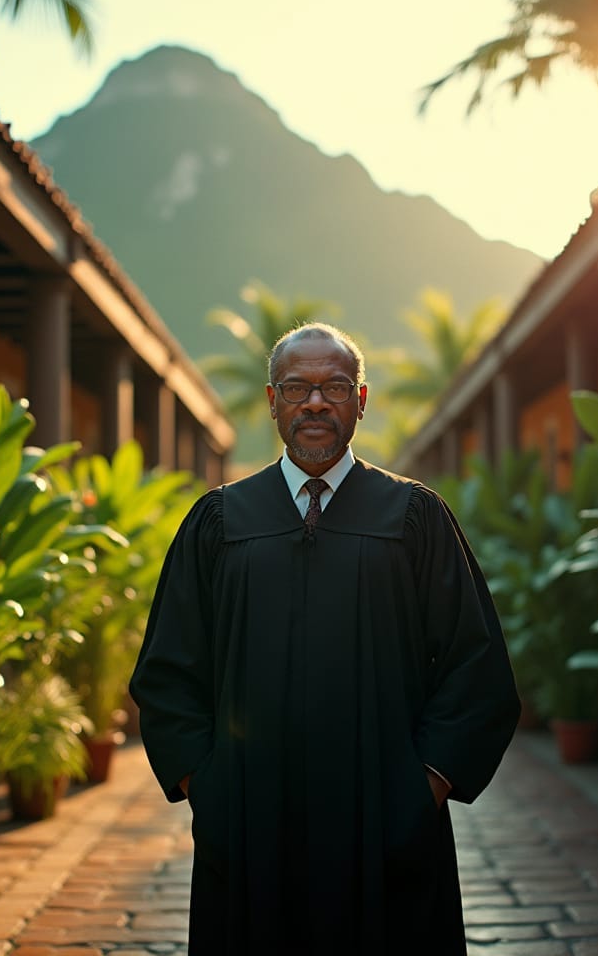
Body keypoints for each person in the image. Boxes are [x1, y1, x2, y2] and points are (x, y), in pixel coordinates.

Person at [130, 322, 520, 956]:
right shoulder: (221, 521)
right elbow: (169, 670)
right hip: (249, 817)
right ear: (273, 400)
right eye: (297, 387)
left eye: (335, 386)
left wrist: (423, 787)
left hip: (384, 819)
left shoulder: (414, 518)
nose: (315, 402)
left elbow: (474, 666)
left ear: (360, 400)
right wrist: (211, 787)